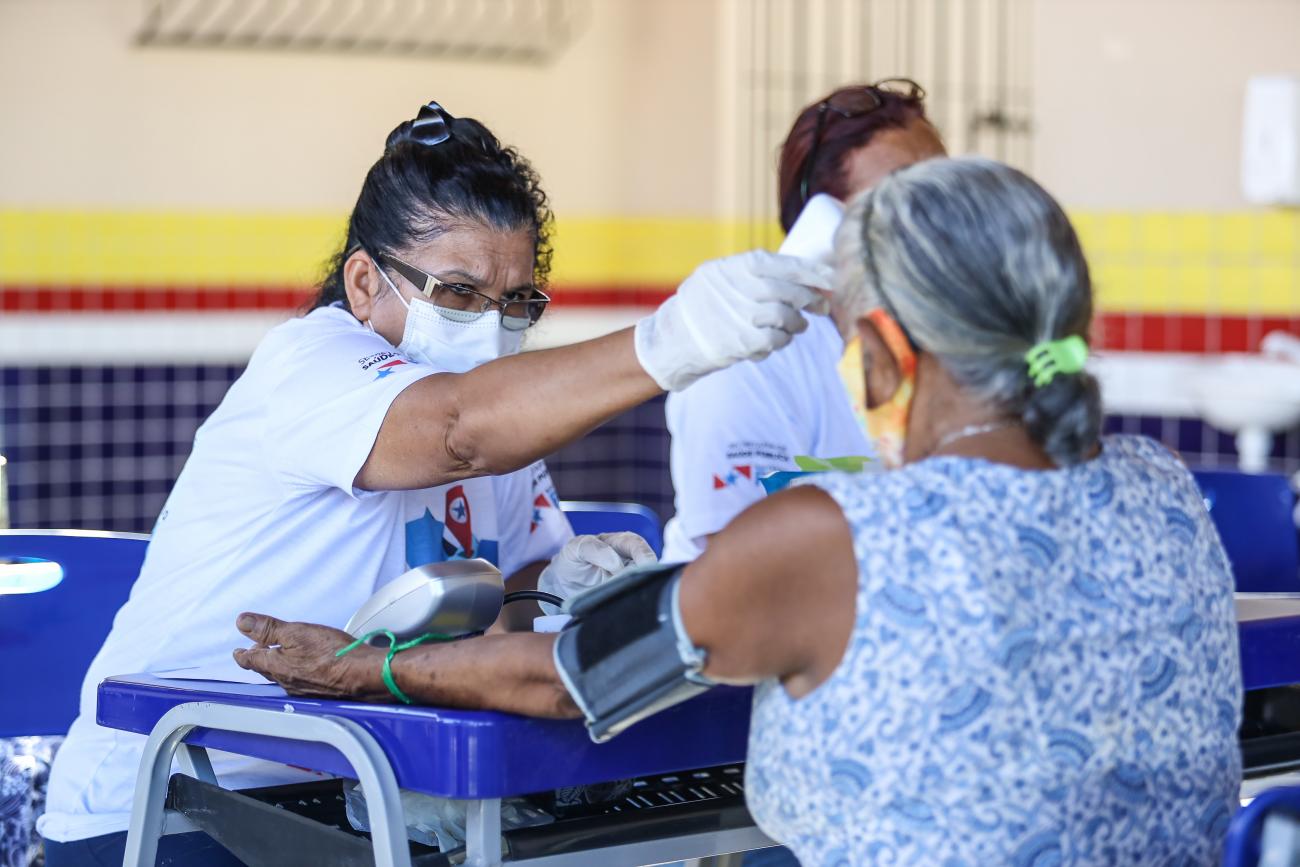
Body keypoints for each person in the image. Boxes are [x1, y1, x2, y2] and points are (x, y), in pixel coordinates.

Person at [236, 157, 1243, 866]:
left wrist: (366, 667)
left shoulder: (830, 537)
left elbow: (569, 675)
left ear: (883, 356)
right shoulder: (1166, 491)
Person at [38, 100, 829, 864]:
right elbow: (456, 430)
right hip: (171, 804)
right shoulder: (309, 366)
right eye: (456, 292)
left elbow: (506, 605)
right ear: (363, 283)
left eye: (516, 302)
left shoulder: (497, 425)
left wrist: (559, 589)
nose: (490, 326)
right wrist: (675, 339)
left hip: (368, 796)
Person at [662, 79, 946, 562]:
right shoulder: (750, 355)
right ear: (824, 223)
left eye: (945, 190)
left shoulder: (960, 345)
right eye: (902, 199)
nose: (937, 220)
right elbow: (736, 569)